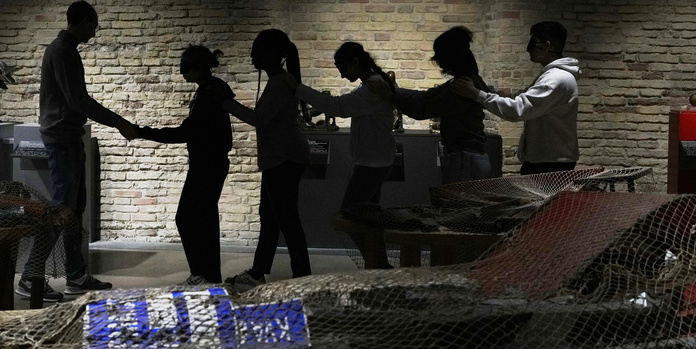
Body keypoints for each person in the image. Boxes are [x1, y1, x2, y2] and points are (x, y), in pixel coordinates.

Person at [16, 0, 136, 303]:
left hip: (67, 137)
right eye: (93, 25)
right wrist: (119, 122)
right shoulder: (62, 51)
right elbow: (78, 101)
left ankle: (76, 275)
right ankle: (30, 277)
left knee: (73, 210)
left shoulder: (65, 50)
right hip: (62, 139)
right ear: (81, 20)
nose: (94, 33)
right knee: (62, 210)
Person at [209, 29, 311, 293]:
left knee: (286, 219)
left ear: (271, 54)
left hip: (284, 159)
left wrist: (225, 103)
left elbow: (259, 119)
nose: (252, 54)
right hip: (281, 158)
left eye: (257, 49)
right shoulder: (278, 80)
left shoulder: (279, 83)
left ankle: (302, 276)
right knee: (270, 216)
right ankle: (258, 271)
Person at [131, 46, 234, 286]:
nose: (180, 72)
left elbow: (185, 133)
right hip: (209, 164)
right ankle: (206, 275)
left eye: (185, 67)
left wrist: (142, 132)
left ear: (198, 68)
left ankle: (204, 274)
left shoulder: (210, 94)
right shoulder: (210, 91)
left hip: (207, 166)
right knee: (201, 220)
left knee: (188, 219)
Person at [289, 42, 397, 268]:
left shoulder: (372, 87)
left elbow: (337, 107)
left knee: (349, 216)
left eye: (342, 68)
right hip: (375, 162)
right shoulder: (371, 85)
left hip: (372, 164)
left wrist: (297, 88)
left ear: (355, 62)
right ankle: (378, 267)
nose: (341, 75)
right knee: (368, 219)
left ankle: (379, 265)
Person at [451, 21, 580, 175]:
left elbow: (517, 110)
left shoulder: (555, 79)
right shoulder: (554, 76)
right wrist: (507, 96)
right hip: (549, 161)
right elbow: (530, 101)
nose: (528, 49)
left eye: (533, 42)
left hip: (549, 165)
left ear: (547, 46)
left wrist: (477, 95)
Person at [376, 27, 492, 183]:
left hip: (465, 160)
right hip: (467, 159)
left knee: (452, 206)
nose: (439, 62)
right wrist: (393, 89)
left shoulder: (463, 85)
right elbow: (426, 97)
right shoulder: (465, 80)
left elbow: (422, 109)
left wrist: (390, 93)